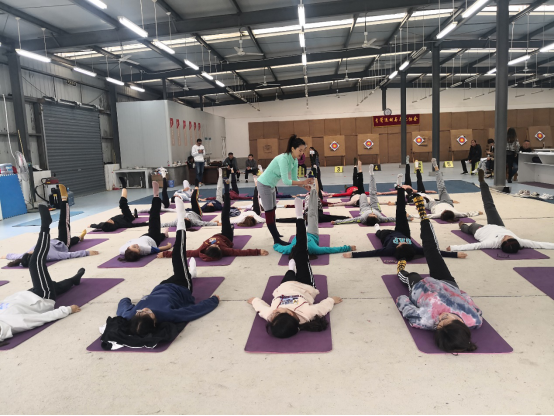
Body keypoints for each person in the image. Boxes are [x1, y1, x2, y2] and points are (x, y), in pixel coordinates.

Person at [116, 198, 220, 338]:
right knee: (178, 255)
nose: (145, 309)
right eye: (148, 313)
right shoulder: (167, 315)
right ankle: (181, 222)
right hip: (181, 287)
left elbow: (123, 303)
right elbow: (193, 311)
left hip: (162, 286)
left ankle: (191, 273)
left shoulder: (130, 315)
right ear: (155, 322)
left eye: (140, 312)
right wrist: (213, 301)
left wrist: (127, 302)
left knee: (183, 270)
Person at [395, 195, 482, 353]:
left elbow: (402, 300)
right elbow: (470, 301)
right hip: (447, 284)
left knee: (409, 275)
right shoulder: (474, 319)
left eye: (439, 324)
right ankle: (423, 216)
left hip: (420, 289)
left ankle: (400, 268)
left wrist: (414, 298)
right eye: (447, 318)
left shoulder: (422, 321)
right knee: (432, 250)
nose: (441, 317)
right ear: (461, 323)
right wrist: (458, 293)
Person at [247, 198, 343, 339]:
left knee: (290, 272)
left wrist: (254, 301)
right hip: (305, 286)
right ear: (291, 314)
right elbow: (321, 309)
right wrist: (332, 300)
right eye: (278, 312)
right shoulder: (307, 314)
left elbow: (261, 309)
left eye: (274, 315)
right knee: (302, 251)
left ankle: (291, 265)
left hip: (285, 286)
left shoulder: (271, 316)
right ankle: (299, 219)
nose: (274, 312)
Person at [0, 205, 84, 343]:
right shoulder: (13, 323)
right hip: (42, 297)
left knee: (54, 286)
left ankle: (74, 280)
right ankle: (45, 226)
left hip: (30, 296)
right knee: (35, 263)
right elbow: (39, 319)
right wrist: (67, 310)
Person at [159, 174, 269, 261]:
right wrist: (258, 251)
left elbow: (185, 253)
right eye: (217, 247)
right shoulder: (225, 249)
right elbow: (240, 252)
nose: (216, 245)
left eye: (214, 246)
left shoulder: (199, 250)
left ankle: (220, 190)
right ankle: (227, 189)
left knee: (222, 216)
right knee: (225, 216)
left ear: (207, 248)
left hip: (213, 229)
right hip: (226, 237)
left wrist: (165, 254)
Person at [344, 184, 467, 262]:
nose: (400, 242)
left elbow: (372, 253)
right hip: (403, 232)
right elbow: (433, 251)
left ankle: (376, 228)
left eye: (398, 244)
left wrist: (353, 255)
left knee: (378, 232)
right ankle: (401, 191)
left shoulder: (389, 250)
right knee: (401, 213)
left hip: (386, 235)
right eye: (402, 243)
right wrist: (455, 254)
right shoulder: (415, 248)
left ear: (396, 248)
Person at [448, 169, 554, 254]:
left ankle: (462, 225)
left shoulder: (492, 243)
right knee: (490, 205)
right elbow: (539, 244)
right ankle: (482, 183)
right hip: (498, 225)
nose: (506, 236)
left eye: (506, 238)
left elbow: (474, 246)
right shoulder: (519, 241)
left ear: (502, 243)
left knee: (468, 228)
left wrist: (453, 248)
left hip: (480, 230)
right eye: (510, 237)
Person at [3, 185, 97, 266]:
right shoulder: (51, 255)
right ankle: (64, 199)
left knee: (71, 239)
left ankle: (80, 237)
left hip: (53, 242)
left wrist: (5, 256)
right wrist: (87, 253)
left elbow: (15, 256)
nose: (31, 250)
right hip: (63, 244)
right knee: (63, 223)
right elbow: (68, 255)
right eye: (32, 252)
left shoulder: (26, 255)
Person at [257, 135, 314, 246]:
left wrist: (304, 185)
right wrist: (303, 182)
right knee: (269, 211)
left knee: (273, 209)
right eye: (300, 150)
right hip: (263, 184)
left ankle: (276, 234)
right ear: (293, 148)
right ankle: (276, 239)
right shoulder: (283, 159)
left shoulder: (294, 160)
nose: (302, 153)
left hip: (271, 185)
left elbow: (294, 179)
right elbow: (286, 181)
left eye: (303, 151)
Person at [274, 187, 355, 257]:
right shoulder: (313, 249)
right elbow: (330, 249)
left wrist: (276, 244)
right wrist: (348, 248)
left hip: (300, 233)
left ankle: (300, 214)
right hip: (312, 234)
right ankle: (313, 193)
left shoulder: (289, 249)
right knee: (312, 215)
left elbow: (277, 246)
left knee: (299, 220)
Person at [332, 163, 405, 227]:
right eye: (374, 215)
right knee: (373, 192)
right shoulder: (381, 218)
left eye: (371, 214)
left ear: (367, 217)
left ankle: (367, 176)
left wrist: (336, 222)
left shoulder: (362, 218)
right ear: (377, 217)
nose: (372, 213)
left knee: (363, 194)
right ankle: (371, 174)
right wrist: (407, 218)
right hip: (376, 207)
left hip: (364, 208)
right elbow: (392, 219)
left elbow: (350, 220)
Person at [119, 182, 173, 262]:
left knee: (159, 234)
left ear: (127, 248)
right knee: (154, 217)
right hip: (153, 239)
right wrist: (168, 247)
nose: (137, 246)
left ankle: (164, 235)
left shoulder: (122, 250)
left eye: (134, 247)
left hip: (144, 237)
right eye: (138, 249)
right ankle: (156, 196)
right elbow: (158, 249)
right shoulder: (145, 249)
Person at [421, 159, 483, 223]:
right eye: (446, 210)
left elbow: (425, 216)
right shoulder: (456, 213)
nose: (444, 209)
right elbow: (467, 214)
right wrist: (477, 212)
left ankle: (423, 199)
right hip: (447, 202)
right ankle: (436, 168)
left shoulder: (437, 215)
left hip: (434, 205)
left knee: (424, 201)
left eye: (444, 211)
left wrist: (413, 215)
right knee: (442, 188)